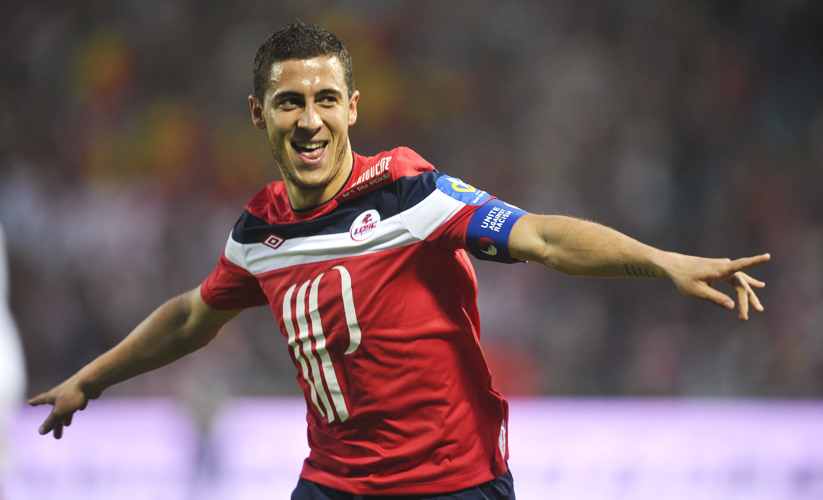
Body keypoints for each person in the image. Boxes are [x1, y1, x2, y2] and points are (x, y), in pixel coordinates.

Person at [29, 23, 770, 500]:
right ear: (259, 114)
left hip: (453, 485)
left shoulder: (409, 194)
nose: (310, 120)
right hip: (332, 484)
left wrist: (663, 262)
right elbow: (194, 315)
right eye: (290, 103)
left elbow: (542, 238)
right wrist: (92, 380)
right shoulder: (260, 229)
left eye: (326, 99)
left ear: (353, 106)